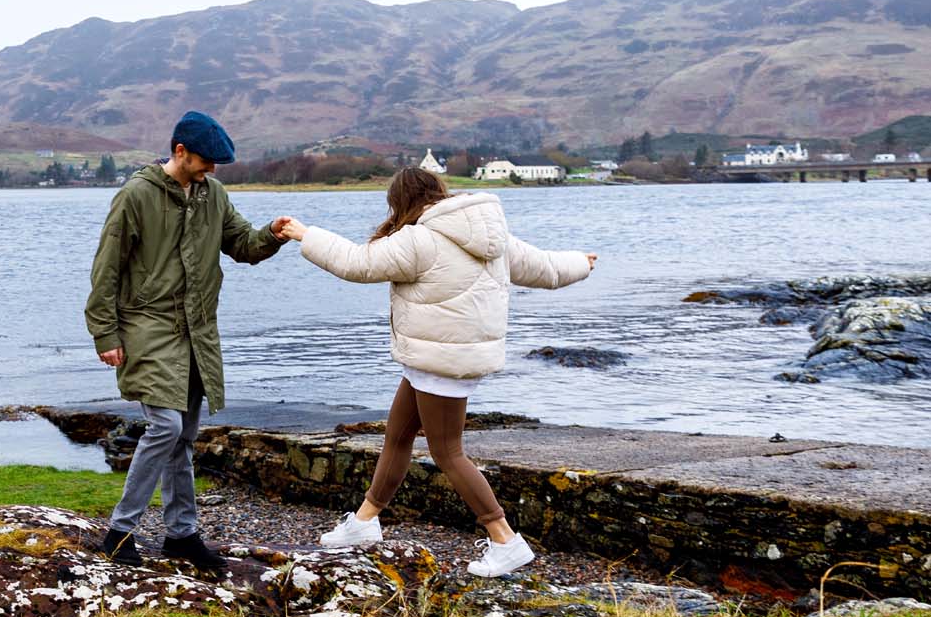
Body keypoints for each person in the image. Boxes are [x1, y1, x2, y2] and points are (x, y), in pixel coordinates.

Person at [273, 167, 596, 577]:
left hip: (442, 362)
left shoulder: (420, 239)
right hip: (434, 359)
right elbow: (544, 268)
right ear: (438, 192)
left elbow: (356, 264)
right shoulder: (490, 233)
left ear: (401, 202)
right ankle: (365, 521)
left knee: (448, 452)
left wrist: (305, 234)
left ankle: (506, 540)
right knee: (399, 434)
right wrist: (581, 264)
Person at [85, 110, 289, 571]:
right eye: (206, 161)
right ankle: (120, 533)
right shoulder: (136, 195)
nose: (212, 170)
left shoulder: (212, 193)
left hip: (197, 331)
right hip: (146, 326)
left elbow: (241, 244)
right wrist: (105, 332)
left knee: (185, 438)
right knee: (166, 428)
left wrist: (272, 235)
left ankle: (181, 535)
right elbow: (106, 269)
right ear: (180, 151)